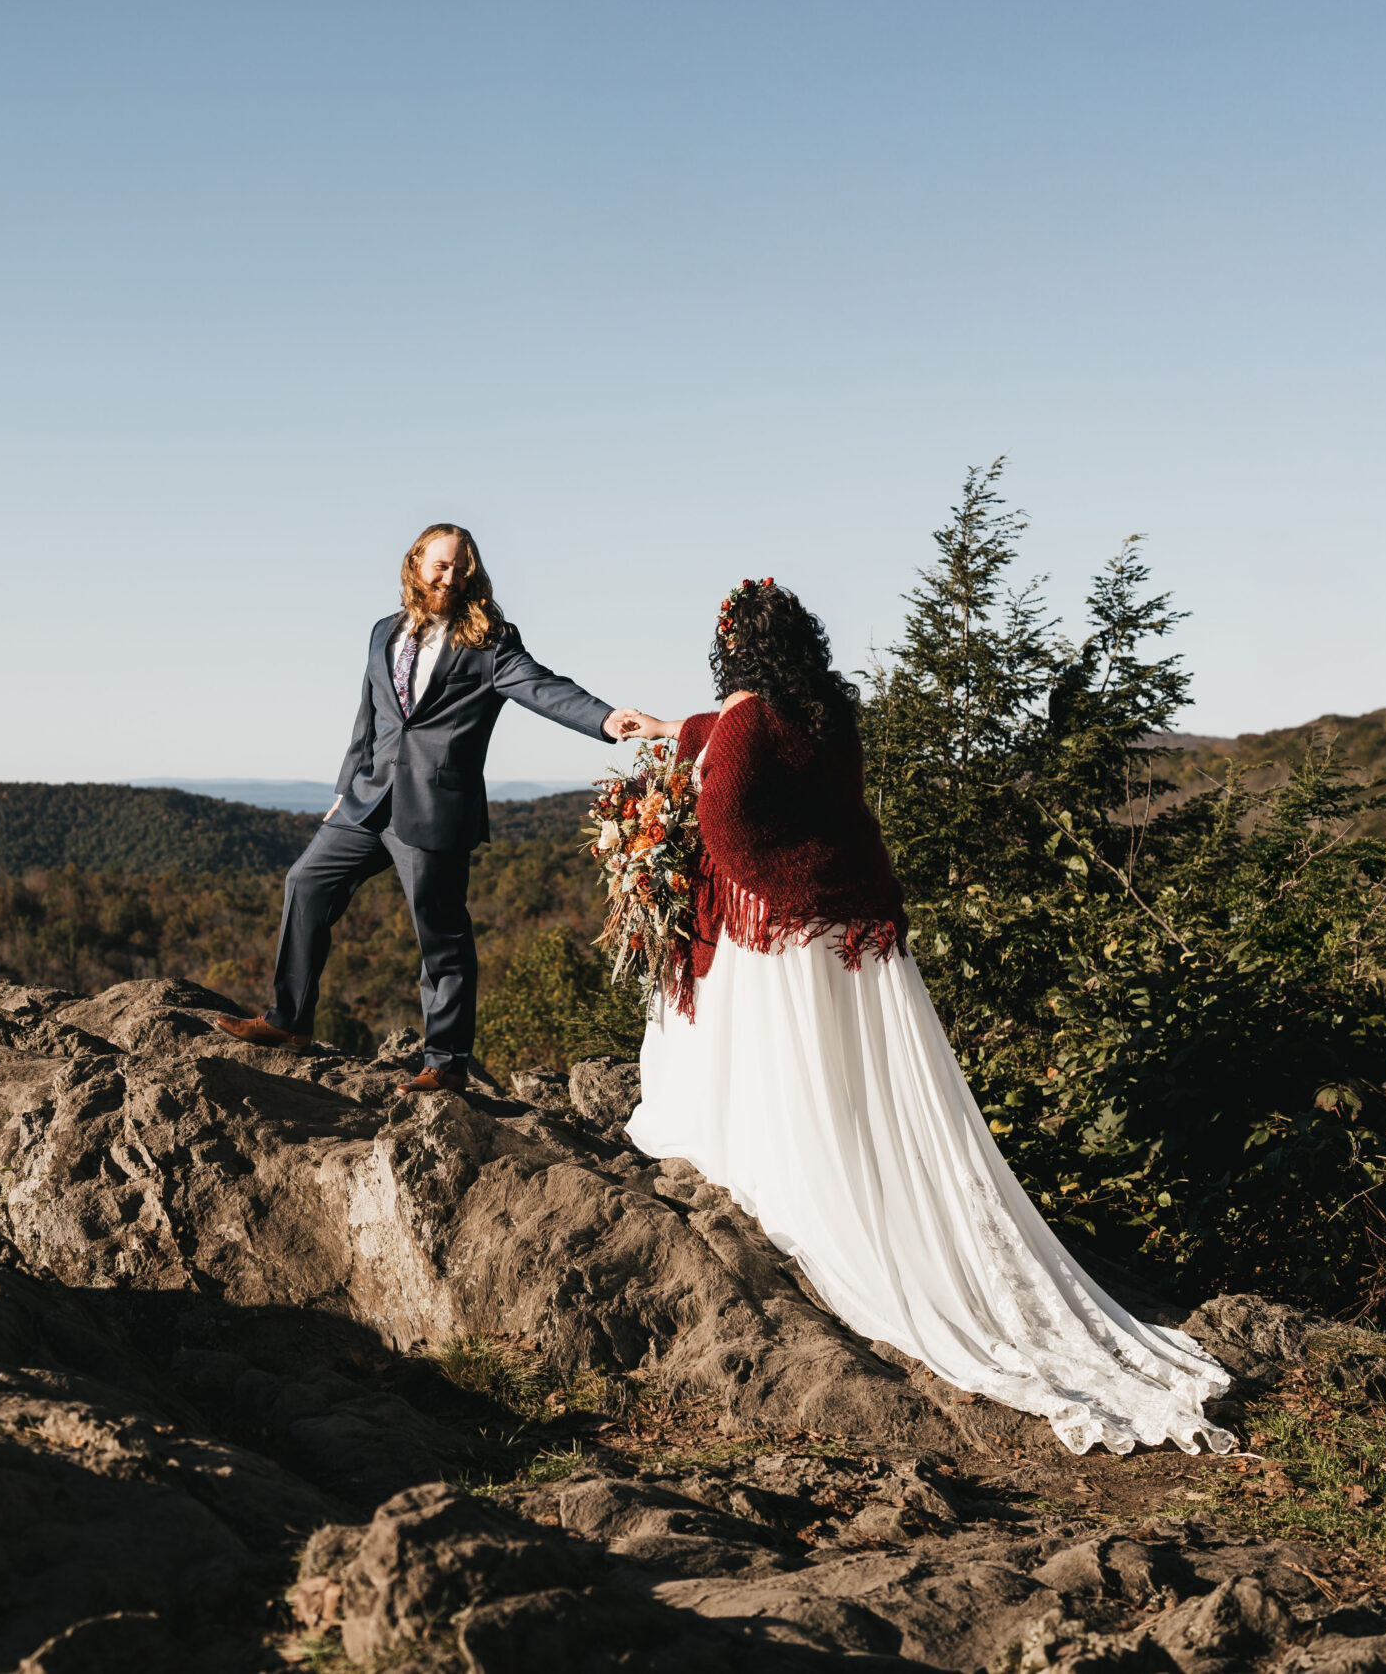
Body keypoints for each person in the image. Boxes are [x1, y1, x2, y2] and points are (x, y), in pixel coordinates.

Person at [616, 578, 1235, 1456]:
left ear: (733, 650)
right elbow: (744, 738)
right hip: (848, 918)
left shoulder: (749, 715)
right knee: (853, 1071)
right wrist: (671, 728)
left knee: (788, 1069)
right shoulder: (825, 707)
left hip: (782, 929)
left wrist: (753, 883)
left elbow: (724, 810)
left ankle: (805, 1179)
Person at [217, 524, 648, 1093]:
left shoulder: (490, 640)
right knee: (306, 883)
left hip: (435, 807)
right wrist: (345, 788)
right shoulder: (383, 631)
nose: (451, 577)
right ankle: (288, 1020)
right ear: (416, 563)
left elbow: (543, 687)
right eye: (441, 565)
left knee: (440, 936)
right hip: (368, 799)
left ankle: (445, 1065)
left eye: (461, 568)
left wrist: (606, 719)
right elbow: (370, 717)